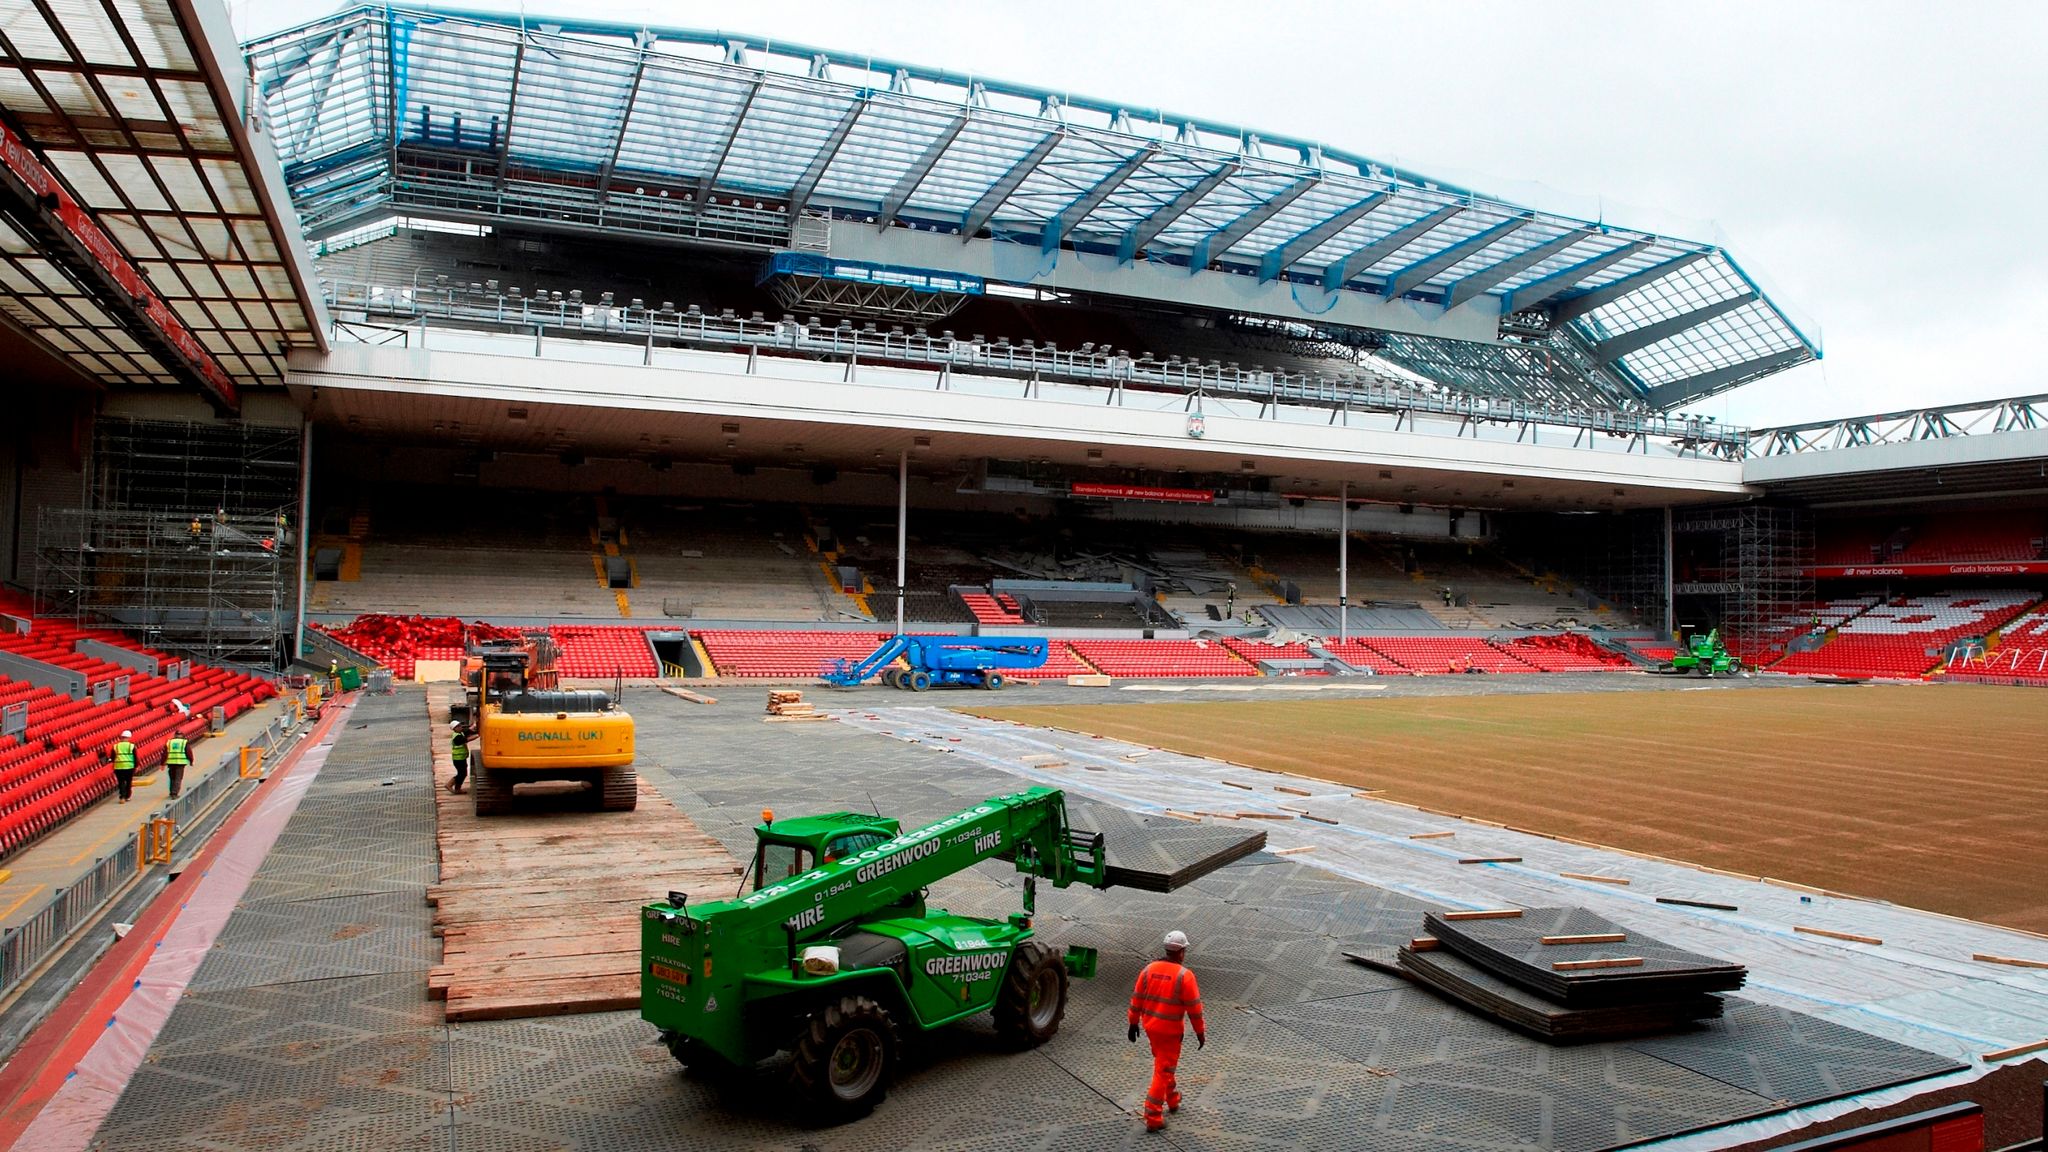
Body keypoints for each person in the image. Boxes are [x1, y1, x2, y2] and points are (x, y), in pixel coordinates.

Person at [1127, 929, 1205, 1132]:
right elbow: (1195, 1009)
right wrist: (1200, 1032)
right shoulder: (1184, 976)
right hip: (1170, 1033)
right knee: (1163, 1070)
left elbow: (1136, 999)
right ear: (1181, 952)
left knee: (1164, 1063)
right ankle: (1153, 1115)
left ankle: (1173, 1099)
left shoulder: (1148, 970)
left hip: (1151, 1028)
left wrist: (1133, 1022)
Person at [109, 729, 137, 803]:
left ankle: (122, 797)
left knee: (121, 782)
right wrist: (136, 766)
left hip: (119, 767)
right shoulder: (132, 746)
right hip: (129, 767)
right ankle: (127, 796)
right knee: (128, 782)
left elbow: (112, 757)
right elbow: (135, 757)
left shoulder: (115, 746)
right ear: (129, 738)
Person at [164, 732, 190, 799]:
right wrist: (191, 760)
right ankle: (175, 793)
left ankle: (172, 791)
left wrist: (162, 763)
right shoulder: (184, 742)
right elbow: (188, 752)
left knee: (172, 778)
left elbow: (164, 753)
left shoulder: (169, 742)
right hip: (180, 763)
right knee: (178, 778)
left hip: (171, 763)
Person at [448, 721, 469, 794]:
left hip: (461, 757)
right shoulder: (456, 736)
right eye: (458, 726)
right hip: (458, 759)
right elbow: (466, 740)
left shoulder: (460, 733)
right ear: (454, 728)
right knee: (461, 774)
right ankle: (449, 785)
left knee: (463, 773)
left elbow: (468, 731)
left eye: (460, 725)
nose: (461, 727)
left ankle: (457, 788)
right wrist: (477, 736)